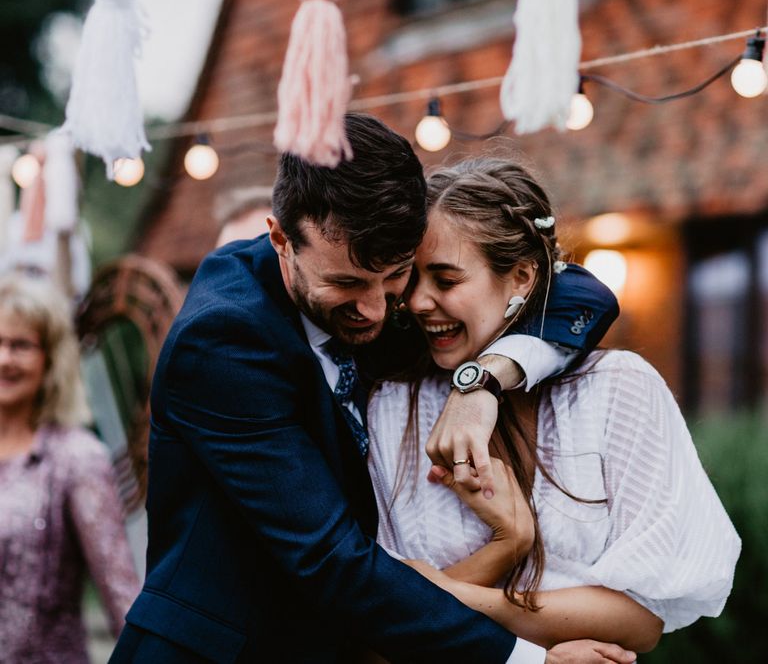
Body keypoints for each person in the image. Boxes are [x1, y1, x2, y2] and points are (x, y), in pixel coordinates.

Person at [109, 114, 630, 664]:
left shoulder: (377, 283)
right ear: (281, 239)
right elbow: (331, 558)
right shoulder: (222, 343)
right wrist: (530, 661)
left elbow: (577, 293)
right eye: (348, 284)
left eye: (395, 274)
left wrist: (480, 385)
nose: (378, 310)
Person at [367, 157, 741, 654]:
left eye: (446, 280)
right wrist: (508, 544)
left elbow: (640, 619)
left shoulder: (618, 390)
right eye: (410, 279)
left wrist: (453, 598)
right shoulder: (393, 409)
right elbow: (379, 633)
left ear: (521, 276)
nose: (417, 302)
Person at [0, 274, 140, 664]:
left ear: (51, 359)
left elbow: (121, 596)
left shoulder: (77, 458)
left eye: (21, 345)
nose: (4, 358)